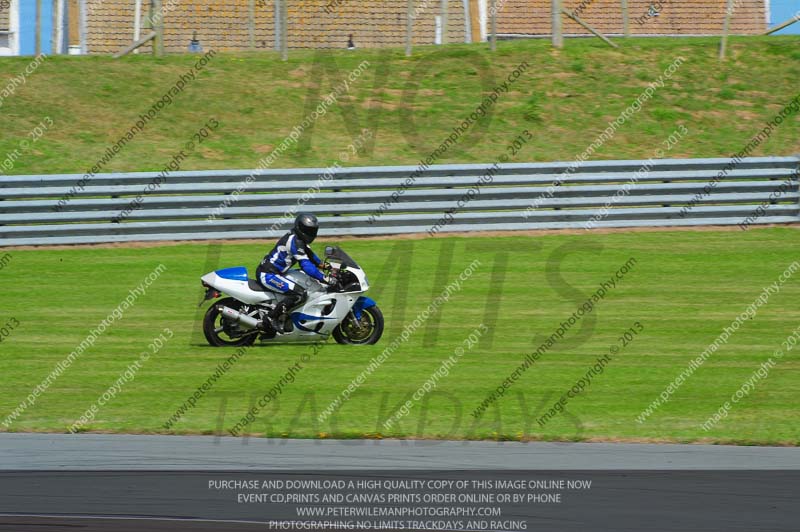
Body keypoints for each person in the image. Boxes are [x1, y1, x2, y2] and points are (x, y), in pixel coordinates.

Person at [256, 213, 333, 332]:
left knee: (303, 282)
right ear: (299, 227)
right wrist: (324, 278)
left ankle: (285, 317)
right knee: (298, 294)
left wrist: (326, 266)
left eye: (312, 230)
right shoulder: (295, 241)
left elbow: (311, 257)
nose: (310, 233)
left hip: (277, 272)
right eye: (307, 230)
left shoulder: (299, 240)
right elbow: (306, 265)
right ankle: (270, 318)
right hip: (268, 274)